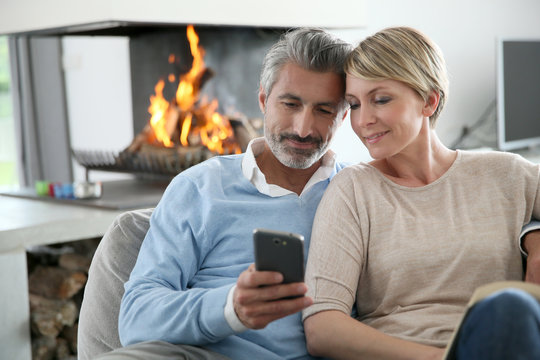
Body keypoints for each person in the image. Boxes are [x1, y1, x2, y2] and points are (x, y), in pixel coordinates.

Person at [95, 28, 352, 360]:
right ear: (263, 100)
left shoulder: (358, 191)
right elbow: (136, 318)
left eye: (324, 110)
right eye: (290, 104)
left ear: (344, 115)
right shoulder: (200, 188)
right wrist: (231, 307)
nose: (303, 128)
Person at [302, 26, 540, 360]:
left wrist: (536, 236)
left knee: (508, 308)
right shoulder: (352, 191)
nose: (363, 120)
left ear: (429, 100)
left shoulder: (508, 174)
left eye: (380, 99)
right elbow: (322, 328)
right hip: (409, 354)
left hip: (504, 340)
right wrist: (438, 358)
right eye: (354, 105)